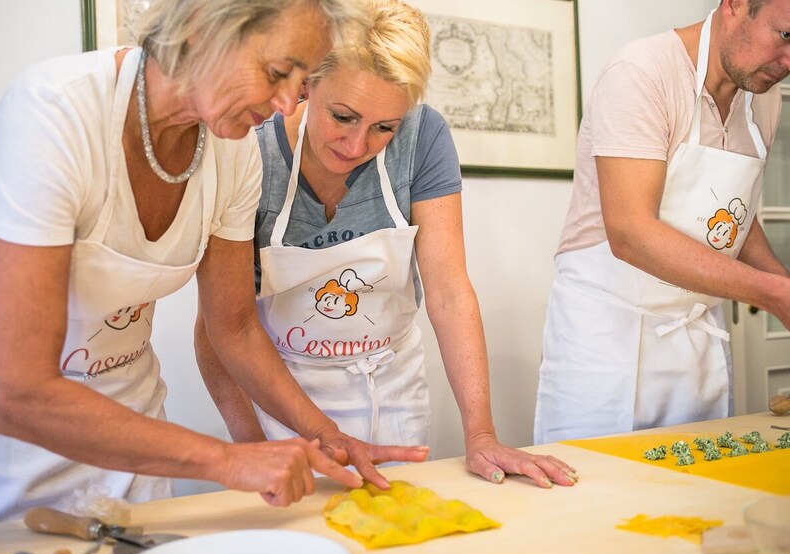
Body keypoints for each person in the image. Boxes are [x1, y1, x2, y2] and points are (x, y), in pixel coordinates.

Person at [0, 0, 433, 531]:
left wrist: (324, 435)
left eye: (302, 80)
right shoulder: (54, 112)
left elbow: (236, 327)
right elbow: (15, 393)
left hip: (133, 432)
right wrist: (227, 460)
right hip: (5, 451)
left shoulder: (234, 149)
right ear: (202, 29)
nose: (289, 101)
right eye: (276, 73)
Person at [195, 0, 578, 489]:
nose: (357, 147)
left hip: (393, 393)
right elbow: (218, 331)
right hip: (283, 405)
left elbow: (448, 291)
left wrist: (481, 433)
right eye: (342, 117)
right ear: (307, 84)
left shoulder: (423, 137)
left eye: (383, 128)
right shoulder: (251, 154)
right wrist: (252, 447)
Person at [535, 0, 790, 444]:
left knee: (703, 499)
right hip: (611, 338)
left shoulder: (761, 101)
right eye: (785, 36)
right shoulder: (641, 73)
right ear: (735, 5)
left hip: (696, 340)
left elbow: (732, 215)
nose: (789, 62)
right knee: (601, 497)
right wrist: (772, 293)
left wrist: (784, 287)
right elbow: (631, 233)